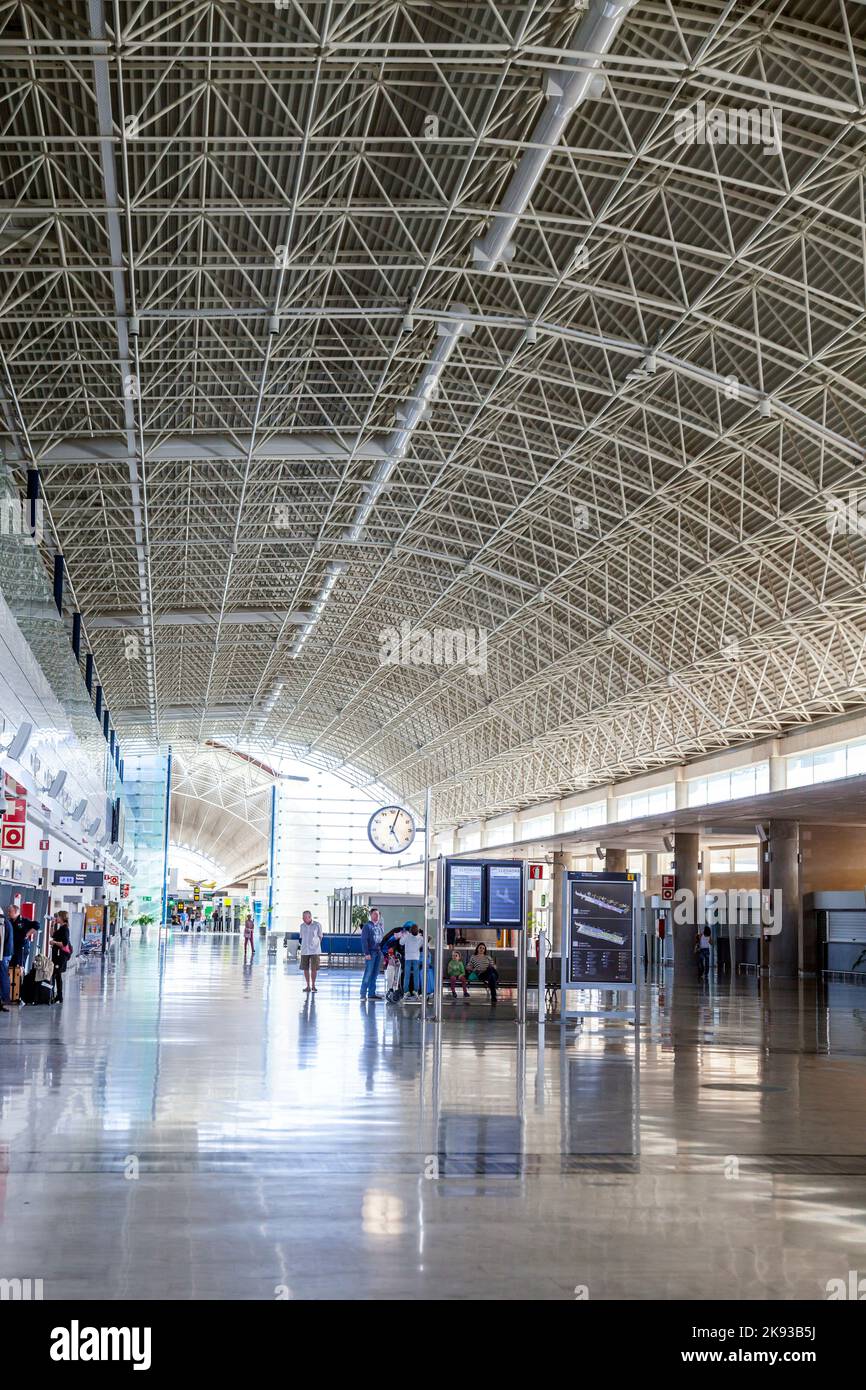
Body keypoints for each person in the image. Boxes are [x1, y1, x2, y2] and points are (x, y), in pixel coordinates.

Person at [360, 907, 384, 1000]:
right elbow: (364, 940)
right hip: (370, 952)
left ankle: (371, 993)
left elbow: (381, 939)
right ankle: (363, 994)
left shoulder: (379, 927)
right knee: (368, 973)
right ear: (371, 915)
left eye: (378, 914)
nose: (376, 916)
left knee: (375, 974)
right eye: (375, 914)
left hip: (378, 952)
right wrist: (366, 953)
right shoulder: (367, 926)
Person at [50, 911, 72, 1003]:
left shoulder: (65, 929)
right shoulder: (61, 928)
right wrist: (52, 925)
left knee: (56, 974)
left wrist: (54, 943)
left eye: (58, 916)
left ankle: (58, 995)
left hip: (60, 955)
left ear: (62, 918)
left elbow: (65, 943)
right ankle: (58, 996)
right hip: (57, 955)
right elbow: (52, 935)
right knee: (56, 975)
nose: (57, 918)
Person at [298, 909, 323, 992]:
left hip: (315, 950)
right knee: (305, 968)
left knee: (314, 968)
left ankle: (313, 985)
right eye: (303, 917)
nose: (303, 919)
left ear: (309, 917)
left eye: (305, 917)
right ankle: (307, 986)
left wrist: (315, 944)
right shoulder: (302, 926)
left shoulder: (317, 925)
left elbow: (320, 936)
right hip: (305, 949)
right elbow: (301, 937)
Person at [398, 921, 423, 998]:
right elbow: (421, 945)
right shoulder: (420, 937)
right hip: (416, 957)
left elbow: (401, 943)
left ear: (410, 930)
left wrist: (403, 936)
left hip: (408, 957)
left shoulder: (407, 936)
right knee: (416, 975)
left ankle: (406, 991)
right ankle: (416, 991)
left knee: (407, 975)